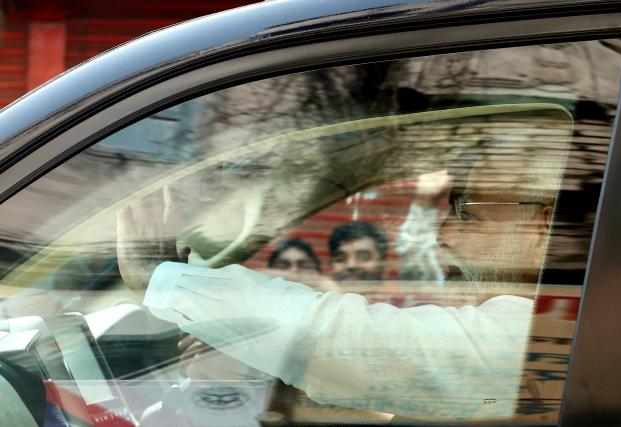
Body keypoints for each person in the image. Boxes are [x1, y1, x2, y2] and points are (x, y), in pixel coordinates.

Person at [116, 135, 560, 421]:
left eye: (466, 213)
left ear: (542, 226)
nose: (444, 235)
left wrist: (162, 280)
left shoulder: (538, 336)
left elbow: (342, 340)